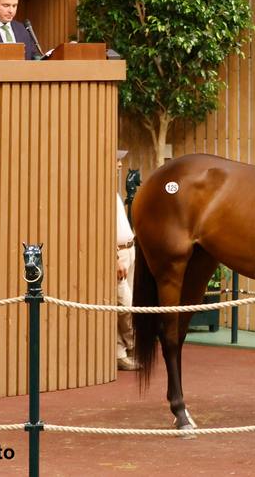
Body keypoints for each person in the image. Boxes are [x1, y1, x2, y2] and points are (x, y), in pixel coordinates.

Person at [116, 150, 139, 371]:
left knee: (128, 302)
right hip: (119, 254)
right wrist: (114, 257)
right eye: (117, 161)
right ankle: (124, 349)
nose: (120, 165)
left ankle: (124, 350)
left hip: (129, 251)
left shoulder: (113, 192)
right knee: (125, 304)